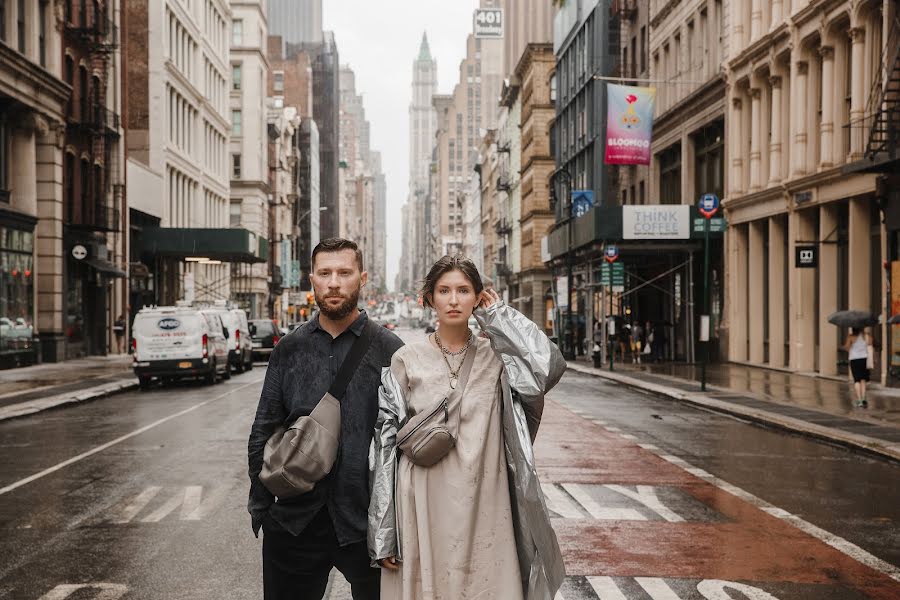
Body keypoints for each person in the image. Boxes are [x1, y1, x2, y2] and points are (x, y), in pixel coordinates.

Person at [369, 255, 566, 600]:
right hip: (423, 499)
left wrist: (499, 317)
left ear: (478, 297)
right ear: (429, 298)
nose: (454, 299)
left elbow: (547, 369)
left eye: (463, 290)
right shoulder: (405, 360)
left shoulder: (499, 357)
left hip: (488, 498)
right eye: (444, 290)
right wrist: (384, 532)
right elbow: (384, 445)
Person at [247, 238, 404, 600]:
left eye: (344, 273)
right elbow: (263, 431)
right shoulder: (289, 349)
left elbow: (404, 442)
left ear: (362, 278)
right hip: (295, 522)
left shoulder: (389, 349)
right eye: (325, 273)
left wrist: (397, 526)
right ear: (311, 279)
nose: (334, 282)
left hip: (367, 523)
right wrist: (262, 511)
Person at [844, 326, 872, 408]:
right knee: (863, 379)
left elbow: (846, 347)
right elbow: (870, 343)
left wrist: (852, 349)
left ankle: (859, 400)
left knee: (857, 380)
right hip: (864, 359)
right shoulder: (866, 336)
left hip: (854, 359)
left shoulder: (851, 337)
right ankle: (863, 398)